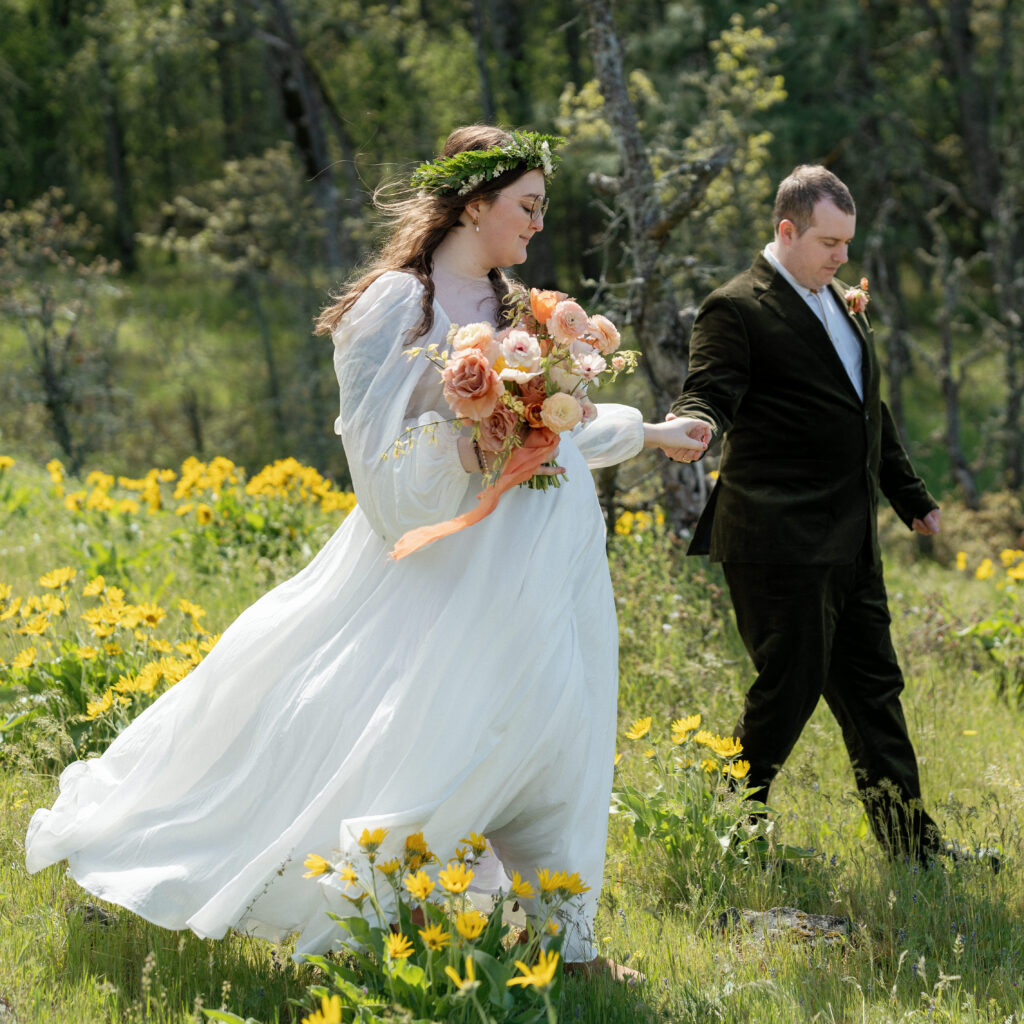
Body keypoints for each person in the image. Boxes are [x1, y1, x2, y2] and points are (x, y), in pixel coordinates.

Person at [25, 125, 710, 973]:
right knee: (449, 736)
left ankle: (566, 943)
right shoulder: (399, 302)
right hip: (453, 567)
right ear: (474, 203)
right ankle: (369, 909)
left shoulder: (520, 313)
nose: (537, 225)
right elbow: (379, 465)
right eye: (527, 207)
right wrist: (475, 444)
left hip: (548, 565)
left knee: (561, 733)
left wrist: (649, 430)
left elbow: (556, 430)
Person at [668, 164, 946, 862]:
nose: (842, 257)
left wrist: (909, 497)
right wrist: (694, 423)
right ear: (785, 231)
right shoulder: (736, 307)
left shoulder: (841, 302)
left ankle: (913, 850)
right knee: (786, 692)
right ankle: (724, 831)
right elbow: (710, 388)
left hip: (852, 540)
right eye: (829, 242)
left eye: (848, 243)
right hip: (777, 538)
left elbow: (865, 408)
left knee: (874, 689)